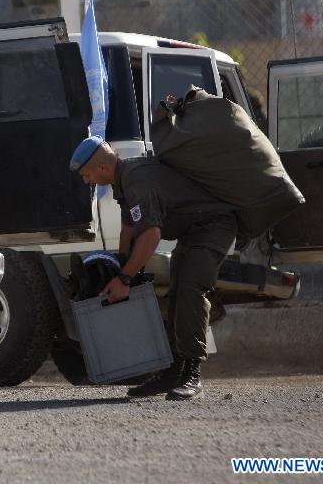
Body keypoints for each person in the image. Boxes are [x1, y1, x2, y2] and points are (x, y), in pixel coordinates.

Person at [69, 136, 237, 400]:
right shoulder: (123, 178)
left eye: (86, 175)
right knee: (176, 294)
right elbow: (129, 227)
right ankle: (173, 372)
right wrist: (122, 266)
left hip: (213, 228)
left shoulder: (137, 179)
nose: (86, 181)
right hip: (193, 232)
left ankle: (192, 375)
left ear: (101, 168)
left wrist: (125, 278)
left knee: (190, 291)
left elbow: (150, 235)